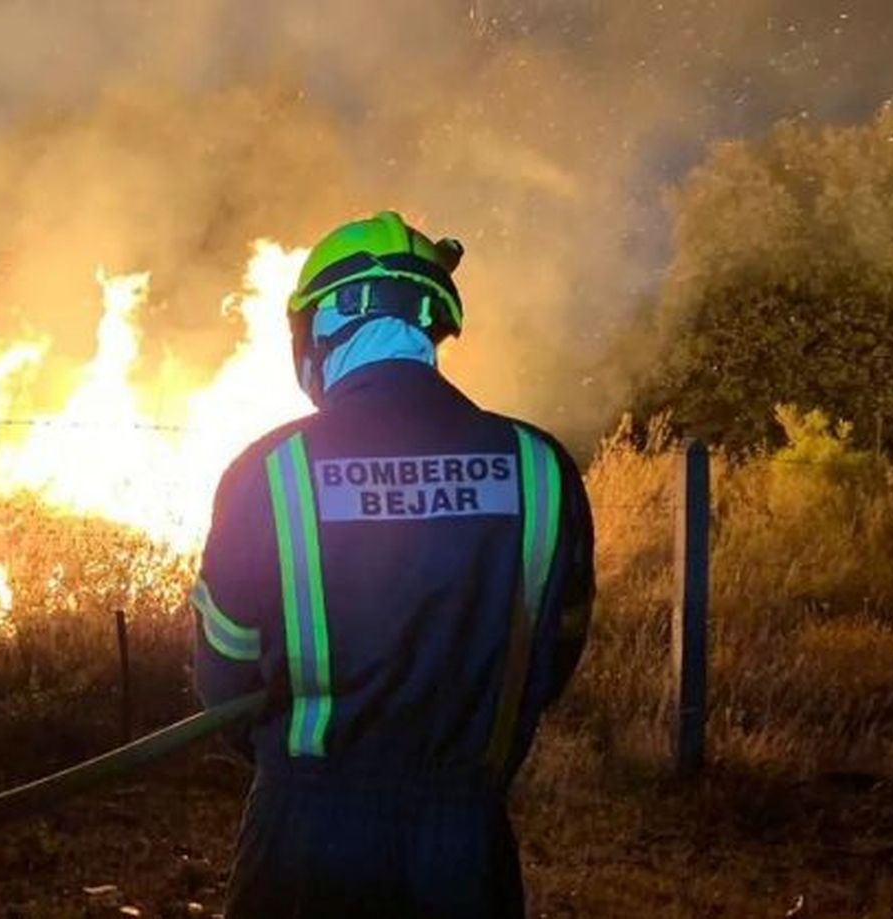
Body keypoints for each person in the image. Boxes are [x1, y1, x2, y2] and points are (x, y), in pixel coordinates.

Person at [190, 211, 595, 918]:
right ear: (434, 320)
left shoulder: (271, 471)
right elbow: (553, 655)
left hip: (307, 834)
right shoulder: (541, 467)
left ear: (320, 326)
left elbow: (223, 679)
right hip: (464, 835)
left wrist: (304, 767)